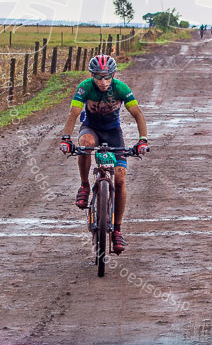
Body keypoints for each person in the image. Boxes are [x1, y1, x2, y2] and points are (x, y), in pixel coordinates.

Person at [59, 54, 148, 254]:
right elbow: (74, 112)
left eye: (107, 76)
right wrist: (66, 138)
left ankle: (117, 230)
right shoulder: (85, 87)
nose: (103, 81)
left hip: (113, 133)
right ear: (92, 76)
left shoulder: (121, 88)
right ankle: (84, 185)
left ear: (113, 74)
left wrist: (142, 140)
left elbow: (137, 114)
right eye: (98, 77)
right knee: (86, 144)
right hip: (91, 128)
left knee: (120, 180)